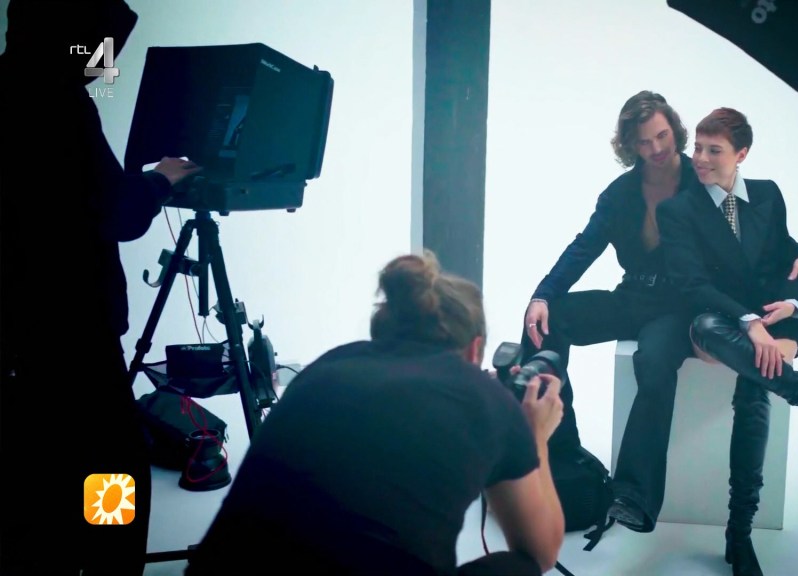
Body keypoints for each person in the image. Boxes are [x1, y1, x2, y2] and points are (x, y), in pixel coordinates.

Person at [520, 91, 798, 533]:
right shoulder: (619, 194)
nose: (656, 148)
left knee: (654, 362)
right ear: (629, 145)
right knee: (546, 322)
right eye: (643, 141)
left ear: (675, 131)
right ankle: (558, 447)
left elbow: (760, 234)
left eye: (661, 135)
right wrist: (543, 294)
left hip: (680, 307)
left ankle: (634, 497)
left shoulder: (704, 178)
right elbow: (584, 247)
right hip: (632, 296)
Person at [185, 251, 566, 576]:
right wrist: (535, 436)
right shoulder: (488, 402)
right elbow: (542, 552)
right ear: (475, 348)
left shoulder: (325, 368)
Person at [0, 2, 202, 574]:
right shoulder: (58, 102)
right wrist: (159, 181)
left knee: (35, 473)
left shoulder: (14, 84)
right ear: (71, 36)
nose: (105, 64)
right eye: (101, 48)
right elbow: (113, 214)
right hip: (71, 333)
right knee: (114, 469)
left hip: (20, 334)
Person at [656, 107, 798, 576]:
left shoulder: (767, 194)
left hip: (769, 322)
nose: (699, 158)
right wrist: (747, 322)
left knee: (756, 389)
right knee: (726, 340)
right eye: (697, 147)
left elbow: (783, 251)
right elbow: (690, 283)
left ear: (741, 154)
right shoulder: (678, 209)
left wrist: (797, 288)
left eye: (713, 150)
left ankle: (738, 533)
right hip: (715, 320)